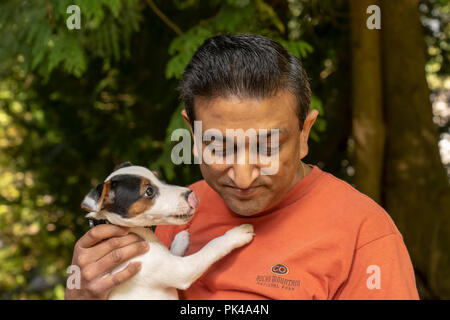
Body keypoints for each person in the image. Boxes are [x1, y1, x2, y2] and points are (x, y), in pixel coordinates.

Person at [66, 34, 419, 300]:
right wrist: (84, 294)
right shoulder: (173, 217)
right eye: (219, 147)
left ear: (304, 132)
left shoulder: (364, 234)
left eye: (267, 146)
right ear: (193, 132)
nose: (244, 177)